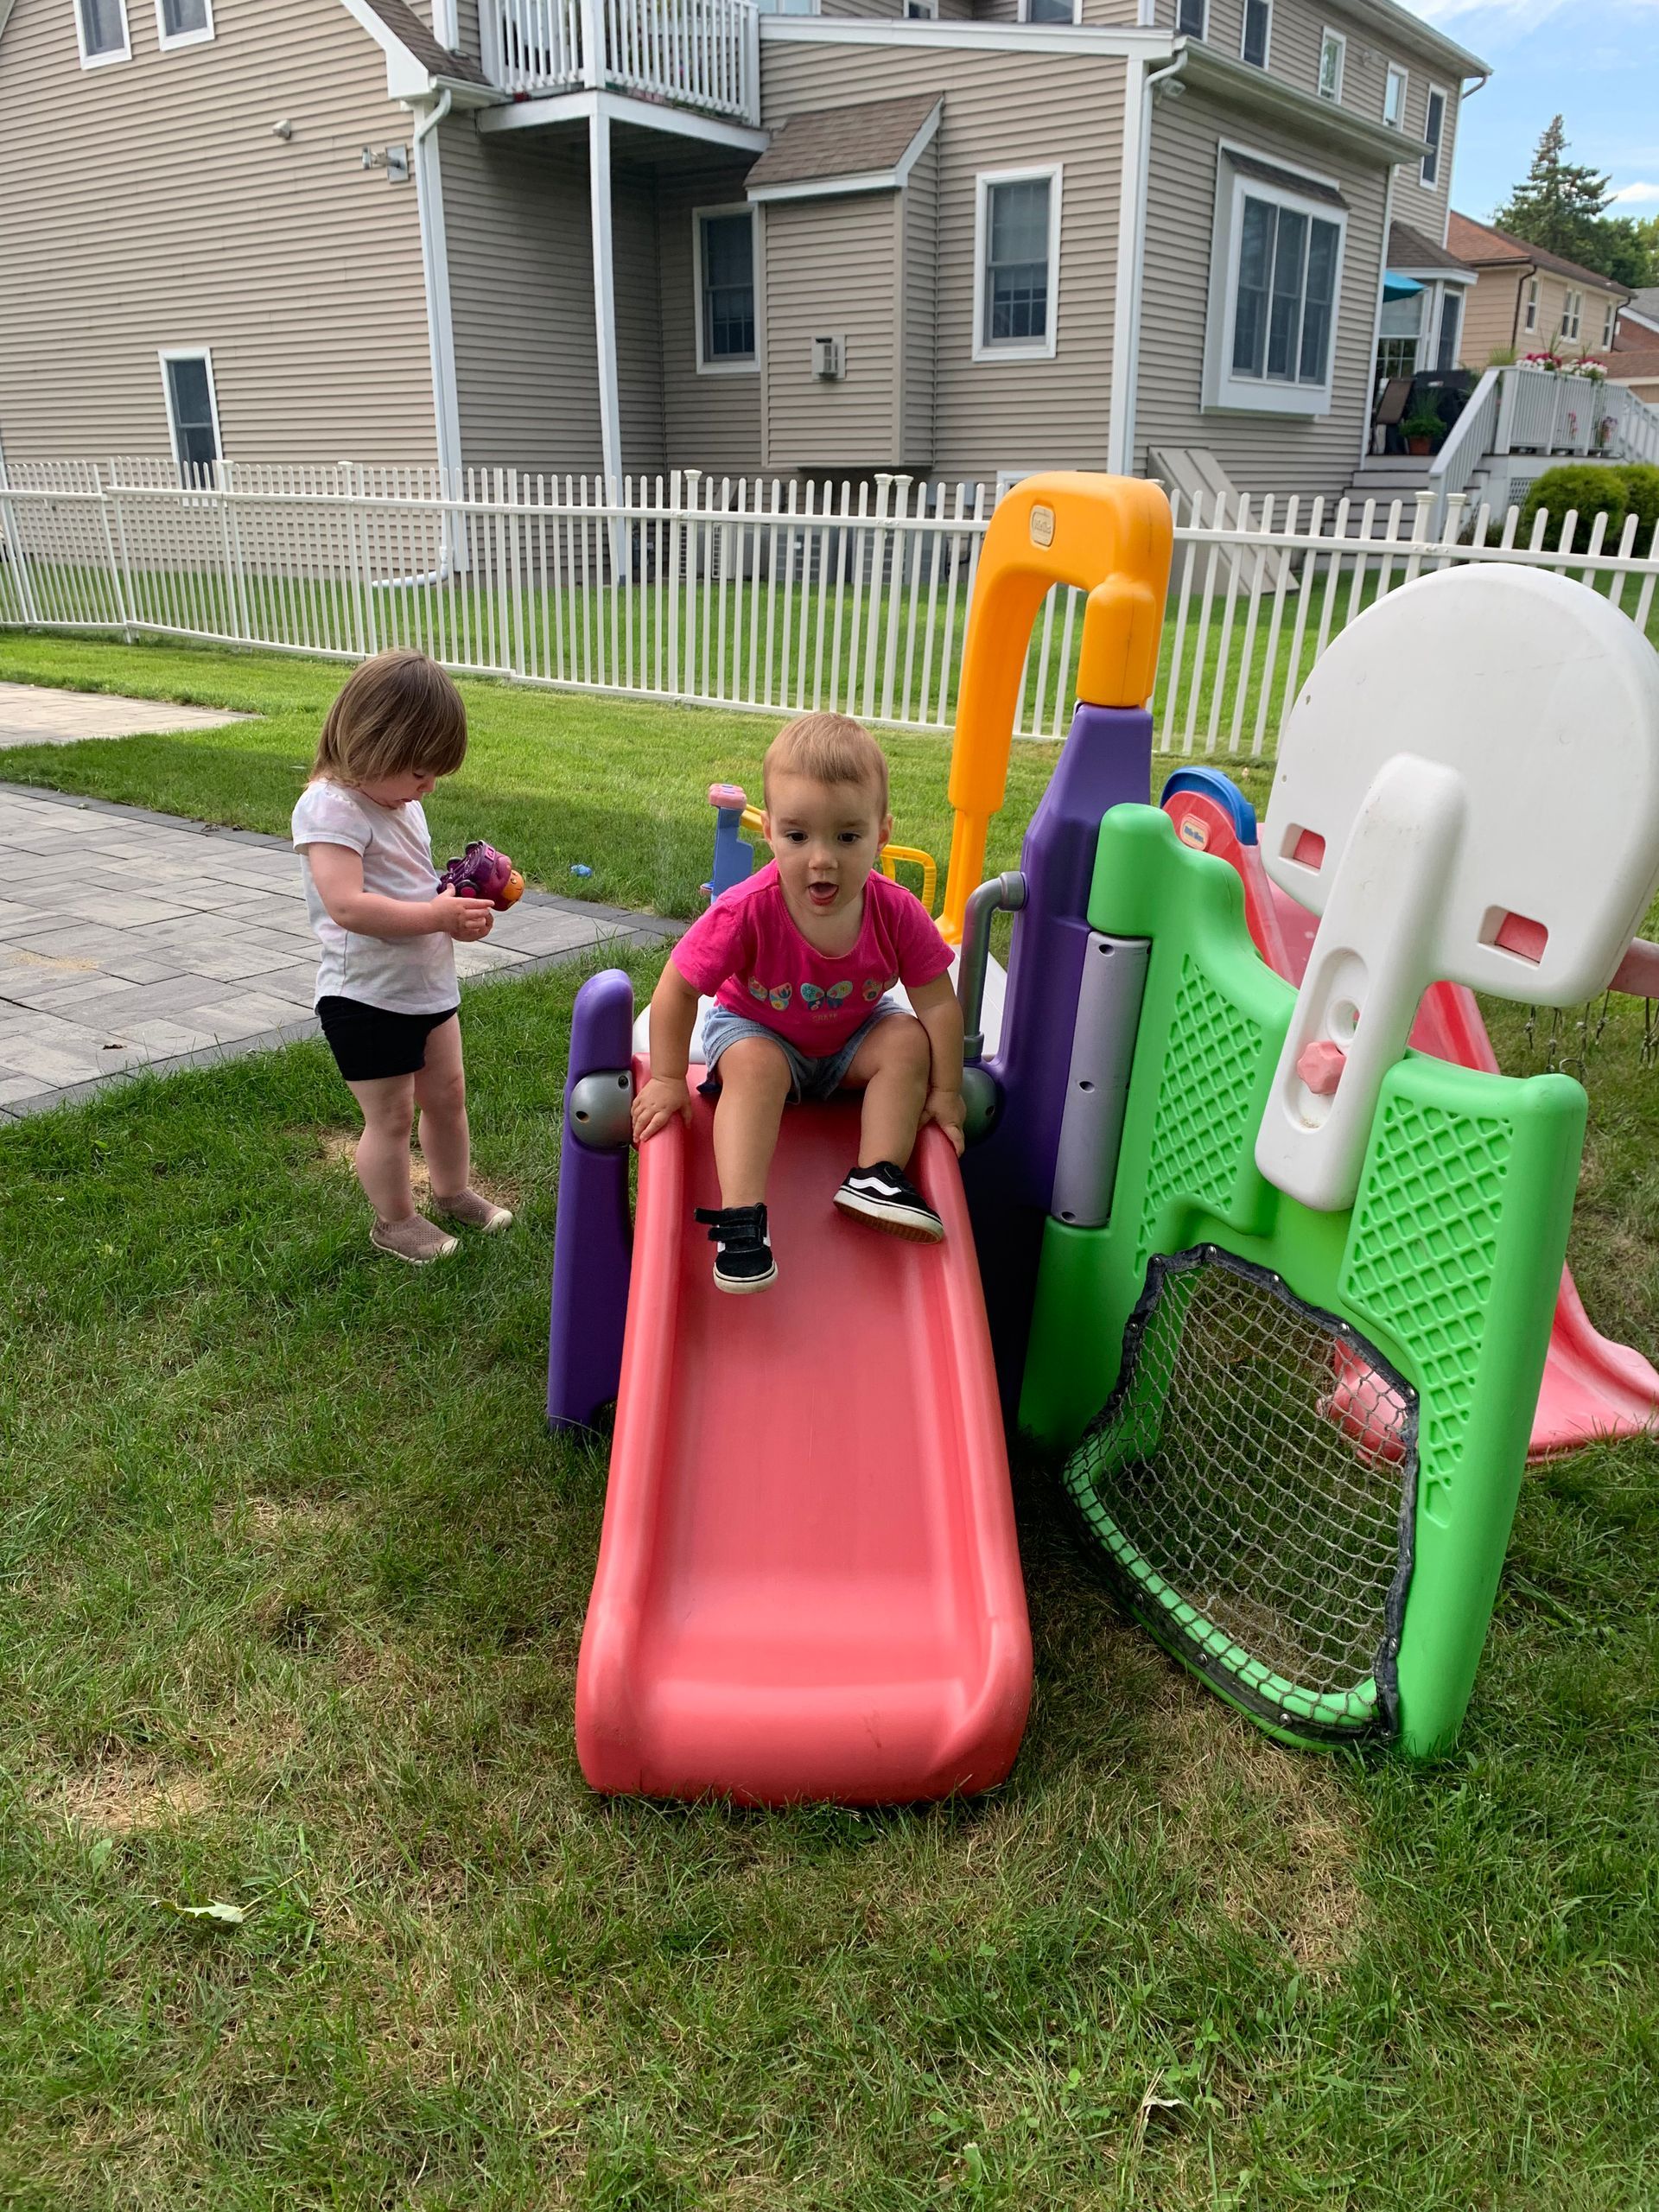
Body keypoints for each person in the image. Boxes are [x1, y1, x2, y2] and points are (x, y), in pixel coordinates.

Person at [632, 712, 964, 1294]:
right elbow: (679, 985)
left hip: (853, 1038)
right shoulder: (747, 909)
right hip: (761, 1031)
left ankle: (876, 1174)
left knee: (907, 1038)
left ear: (881, 834)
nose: (822, 858)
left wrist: (947, 1093)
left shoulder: (895, 911)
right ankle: (741, 1221)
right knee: (756, 1066)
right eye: (797, 835)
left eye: (847, 836)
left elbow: (936, 1001)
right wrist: (664, 1078)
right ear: (770, 834)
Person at [291, 650, 513, 1265]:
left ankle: (453, 1191)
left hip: (425, 986)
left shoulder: (399, 800)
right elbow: (348, 906)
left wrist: (452, 911)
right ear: (373, 746)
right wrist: (436, 916)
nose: (429, 786)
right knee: (389, 1117)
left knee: (448, 1095)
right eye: (419, 771)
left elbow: (410, 893)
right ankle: (395, 1222)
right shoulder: (329, 807)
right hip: (364, 996)